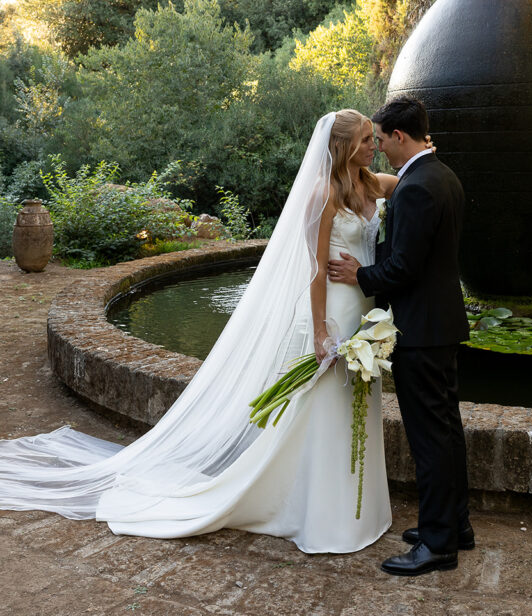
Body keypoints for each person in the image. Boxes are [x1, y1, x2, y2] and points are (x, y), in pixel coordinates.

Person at [0, 110, 397, 554]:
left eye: (373, 139)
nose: (372, 146)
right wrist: (322, 330)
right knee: (326, 408)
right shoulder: (323, 193)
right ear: (342, 146)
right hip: (335, 312)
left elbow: (412, 182)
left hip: (365, 309)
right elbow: (313, 267)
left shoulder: (371, 183)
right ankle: (322, 511)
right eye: (364, 140)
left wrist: (427, 159)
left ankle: (359, 504)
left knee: (357, 402)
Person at [328, 95, 472, 576]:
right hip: (444, 323)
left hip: (421, 329)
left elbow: (405, 266)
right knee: (448, 430)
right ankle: (455, 525)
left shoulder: (413, 188)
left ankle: (436, 545)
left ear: (400, 136)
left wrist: (361, 277)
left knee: (430, 439)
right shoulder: (443, 176)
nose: (381, 148)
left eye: (383, 138)